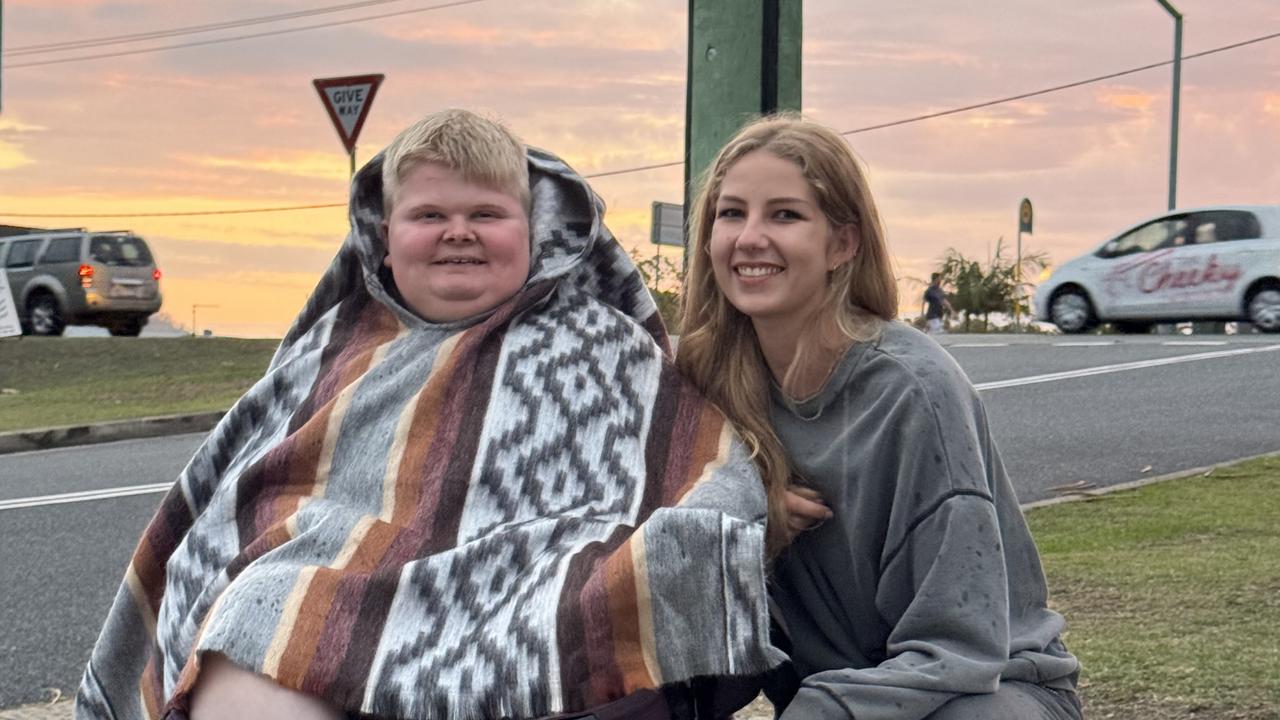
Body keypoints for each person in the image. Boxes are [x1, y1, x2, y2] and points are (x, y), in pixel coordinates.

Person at [76, 109, 783, 720]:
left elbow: (698, 457)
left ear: (531, 231)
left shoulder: (605, 342)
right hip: (341, 597)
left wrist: (727, 517)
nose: (458, 233)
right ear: (384, 237)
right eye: (429, 216)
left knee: (625, 589)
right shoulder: (332, 348)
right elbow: (239, 492)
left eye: (486, 215)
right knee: (251, 615)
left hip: (531, 595)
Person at [676, 114, 1083, 720]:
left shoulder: (914, 389)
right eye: (731, 213)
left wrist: (822, 709)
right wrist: (743, 516)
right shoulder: (700, 377)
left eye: (785, 215)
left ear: (843, 244)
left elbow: (961, 648)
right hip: (843, 693)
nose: (750, 237)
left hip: (983, 690)